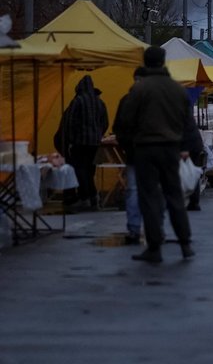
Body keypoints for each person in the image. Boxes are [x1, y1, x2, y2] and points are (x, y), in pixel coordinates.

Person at [117, 46, 194, 264]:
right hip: (171, 148)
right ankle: (185, 243)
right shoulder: (177, 90)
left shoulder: (139, 90)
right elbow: (188, 124)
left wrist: (129, 146)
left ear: (145, 61)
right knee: (174, 195)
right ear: (163, 61)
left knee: (149, 198)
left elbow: (123, 123)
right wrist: (183, 146)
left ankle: (154, 246)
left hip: (145, 149)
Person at [57, 75, 109, 211]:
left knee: (79, 170)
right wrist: (98, 135)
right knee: (89, 170)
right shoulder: (100, 102)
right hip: (95, 143)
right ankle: (93, 197)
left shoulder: (78, 101)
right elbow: (105, 123)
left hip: (80, 142)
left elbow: (70, 122)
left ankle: (85, 197)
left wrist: (70, 140)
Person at [113, 67, 146, 244]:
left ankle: (134, 228)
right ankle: (153, 228)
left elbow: (118, 128)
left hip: (134, 153)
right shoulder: (155, 99)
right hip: (154, 154)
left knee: (133, 191)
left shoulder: (126, 100)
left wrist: (127, 146)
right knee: (152, 191)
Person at [181, 108, 205, 212]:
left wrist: (184, 149)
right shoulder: (186, 114)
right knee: (193, 173)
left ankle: (192, 201)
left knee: (188, 172)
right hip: (195, 146)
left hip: (190, 147)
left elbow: (186, 133)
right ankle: (194, 202)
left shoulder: (180, 116)